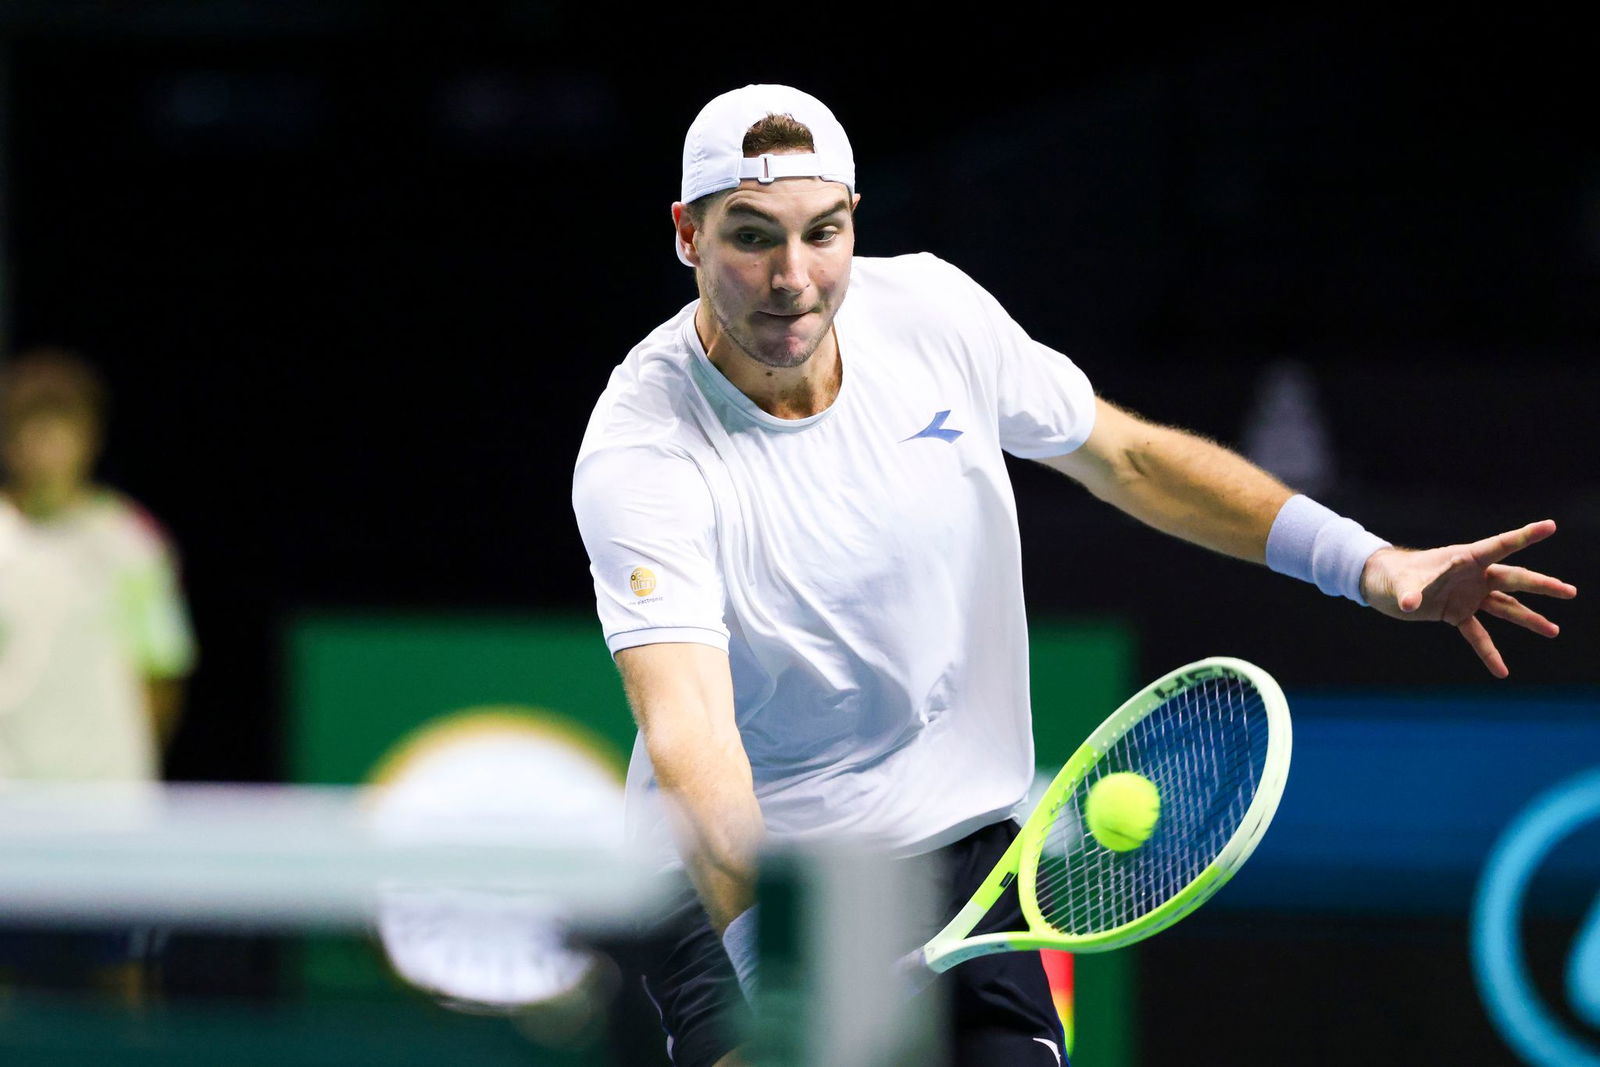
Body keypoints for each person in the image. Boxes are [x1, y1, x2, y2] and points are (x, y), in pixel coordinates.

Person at [570, 85, 1576, 1066]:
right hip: (751, 869)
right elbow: (691, 732)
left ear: (854, 222)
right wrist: (785, 975)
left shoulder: (931, 313)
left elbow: (1126, 457)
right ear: (687, 234)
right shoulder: (645, 450)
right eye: (751, 237)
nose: (793, 275)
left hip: (957, 850)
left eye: (821, 232)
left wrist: (1365, 560)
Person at [0, 348, 197, 1001]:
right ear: (8, 441)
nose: (47, 445)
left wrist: (121, 779)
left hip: (111, 816)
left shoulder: (130, 541)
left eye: (64, 428)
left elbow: (161, 673)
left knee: (122, 987)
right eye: (30, 428)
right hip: (9, 814)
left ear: (91, 439)